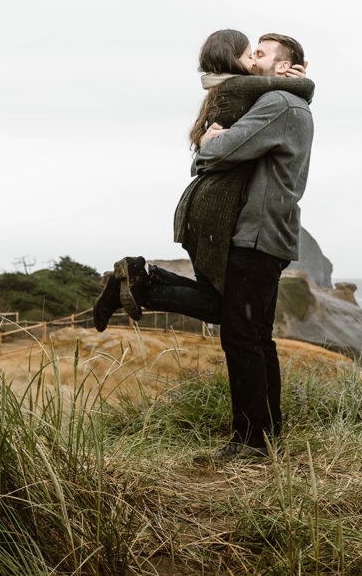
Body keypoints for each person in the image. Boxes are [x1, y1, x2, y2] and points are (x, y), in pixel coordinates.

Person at [94, 30, 314, 462]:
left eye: (261, 54)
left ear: (284, 67)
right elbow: (219, 153)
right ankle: (262, 440)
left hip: (257, 235)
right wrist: (210, 146)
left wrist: (211, 144)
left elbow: (220, 151)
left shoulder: (280, 103)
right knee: (251, 336)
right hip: (261, 234)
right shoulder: (278, 101)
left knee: (244, 338)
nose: (252, 59)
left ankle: (252, 443)